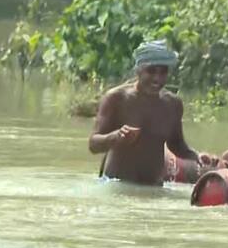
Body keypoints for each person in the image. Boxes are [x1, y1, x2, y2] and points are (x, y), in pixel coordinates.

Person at [88, 40, 215, 185]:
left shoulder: (172, 104)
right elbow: (93, 144)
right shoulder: (117, 99)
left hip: (154, 186)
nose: (157, 79)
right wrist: (116, 137)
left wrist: (196, 157)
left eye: (163, 72)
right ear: (138, 70)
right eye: (151, 71)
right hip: (116, 185)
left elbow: (177, 145)